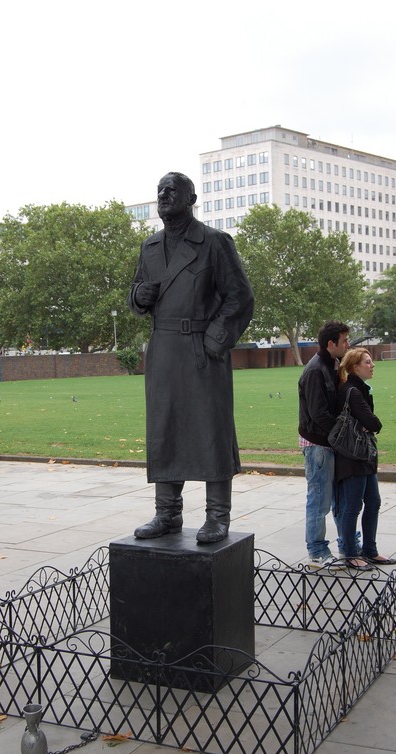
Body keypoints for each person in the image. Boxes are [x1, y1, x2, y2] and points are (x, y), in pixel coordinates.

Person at [128, 171, 254, 544]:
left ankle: (218, 516)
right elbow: (135, 293)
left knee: (209, 430)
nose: (164, 195)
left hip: (201, 351)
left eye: (172, 190)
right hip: (164, 351)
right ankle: (167, 514)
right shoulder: (149, 247)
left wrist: (215, 341)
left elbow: (240, 298)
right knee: (164, 429)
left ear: (191, 198)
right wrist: (139, 297)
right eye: (160, 190)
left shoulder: (215, 242)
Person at [334, 348, 396, 570]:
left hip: (364, 455)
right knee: (352, 506)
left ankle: (370, 550)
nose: (372, 365)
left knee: (374, 502)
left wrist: (369, 424)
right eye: (367, 362)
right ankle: (352, 553)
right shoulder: (352, 391)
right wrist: (370, 424)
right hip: (353, 457)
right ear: (354, 367)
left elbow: (369, 422)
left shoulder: (360, 389)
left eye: (371, 362)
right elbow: (373, 423)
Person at [298, 321, 350, 567]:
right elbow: (318, 413)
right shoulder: (315, 370)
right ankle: (317, 551)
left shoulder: (331, 366)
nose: (348, 345)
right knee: (319, 499)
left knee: (335, 498)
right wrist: (341, 436)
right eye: (345, 340)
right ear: (332, 344)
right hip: (318, 444)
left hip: (328, 443)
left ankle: (347, 544)